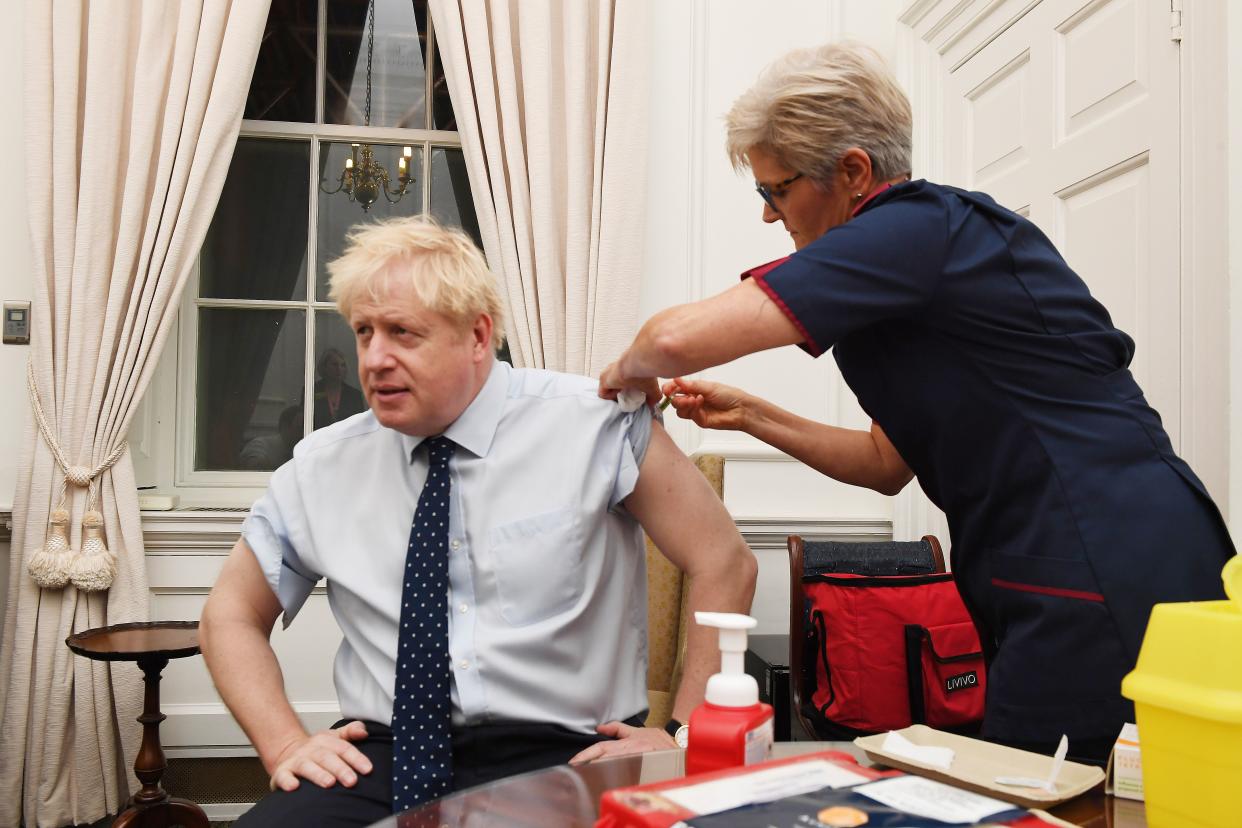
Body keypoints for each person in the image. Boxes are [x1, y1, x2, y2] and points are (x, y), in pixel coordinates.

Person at [598, 41, 1234, 762]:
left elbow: (674, 339)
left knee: (1068, 791)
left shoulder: (914, 229)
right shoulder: (907, 264)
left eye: (776, 190)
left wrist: (627, 368)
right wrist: (751, 415)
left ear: (854, 172)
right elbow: (884, 463)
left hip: (1105, 557)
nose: (772, 216)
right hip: (1064, 562)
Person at [200, 217, 756, 826]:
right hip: (383, 754)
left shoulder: (594, 424)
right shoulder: (320, 467)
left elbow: (722, 560)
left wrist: (679, 735)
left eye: (402, 333)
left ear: (477, 335)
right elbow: (230, 613)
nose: (375, 358)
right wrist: (285, 744)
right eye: (363, 332)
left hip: (566, 752)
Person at [312, 347, 367, 429]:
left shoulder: (354, 395)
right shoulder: (312, 390)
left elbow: (360, 425)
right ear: (324, 367)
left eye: (343, 365)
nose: (339, 369)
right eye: (334, 364)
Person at [238, 404, 303, 470]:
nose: (302, 433)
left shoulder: (299, 452)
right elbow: (254, 463)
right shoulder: (260, 445)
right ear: (285, 427)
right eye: (299, 427)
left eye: (303, 429)